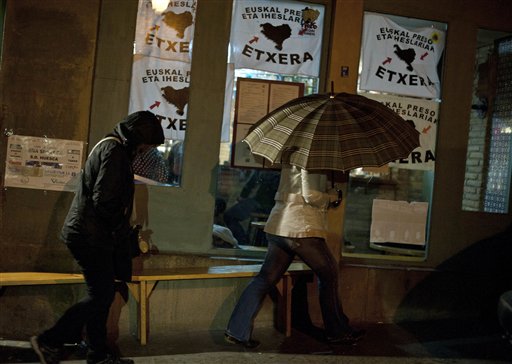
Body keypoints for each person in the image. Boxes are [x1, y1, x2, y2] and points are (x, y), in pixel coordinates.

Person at [30, 111, 165, 364]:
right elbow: (106, 200)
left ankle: (99, 353)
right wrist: (121, 231)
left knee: (102, 294)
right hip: (89, 235)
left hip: (90, 233)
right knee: (101, 295)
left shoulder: (111, 147)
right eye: (147, 144)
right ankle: (49, 340)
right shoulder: (114, 152)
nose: (147, 149)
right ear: (138, 138)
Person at [224, 164, 364, 348]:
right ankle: (338, 333)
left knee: (264, 279)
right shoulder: (311, 158)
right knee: (328, 274)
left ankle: (236, 331)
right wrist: (330, 196)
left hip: (279, 225)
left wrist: (328, 187)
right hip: (301, 228)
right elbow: (310, 195)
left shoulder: (292, 155)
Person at [223, 169, 280, 244]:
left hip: (262, 204)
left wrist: (242, 196)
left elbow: (251, 183)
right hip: (275, 206)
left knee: (229, 216)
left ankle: (243, 241)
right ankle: (245, 241)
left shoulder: (265, 168)